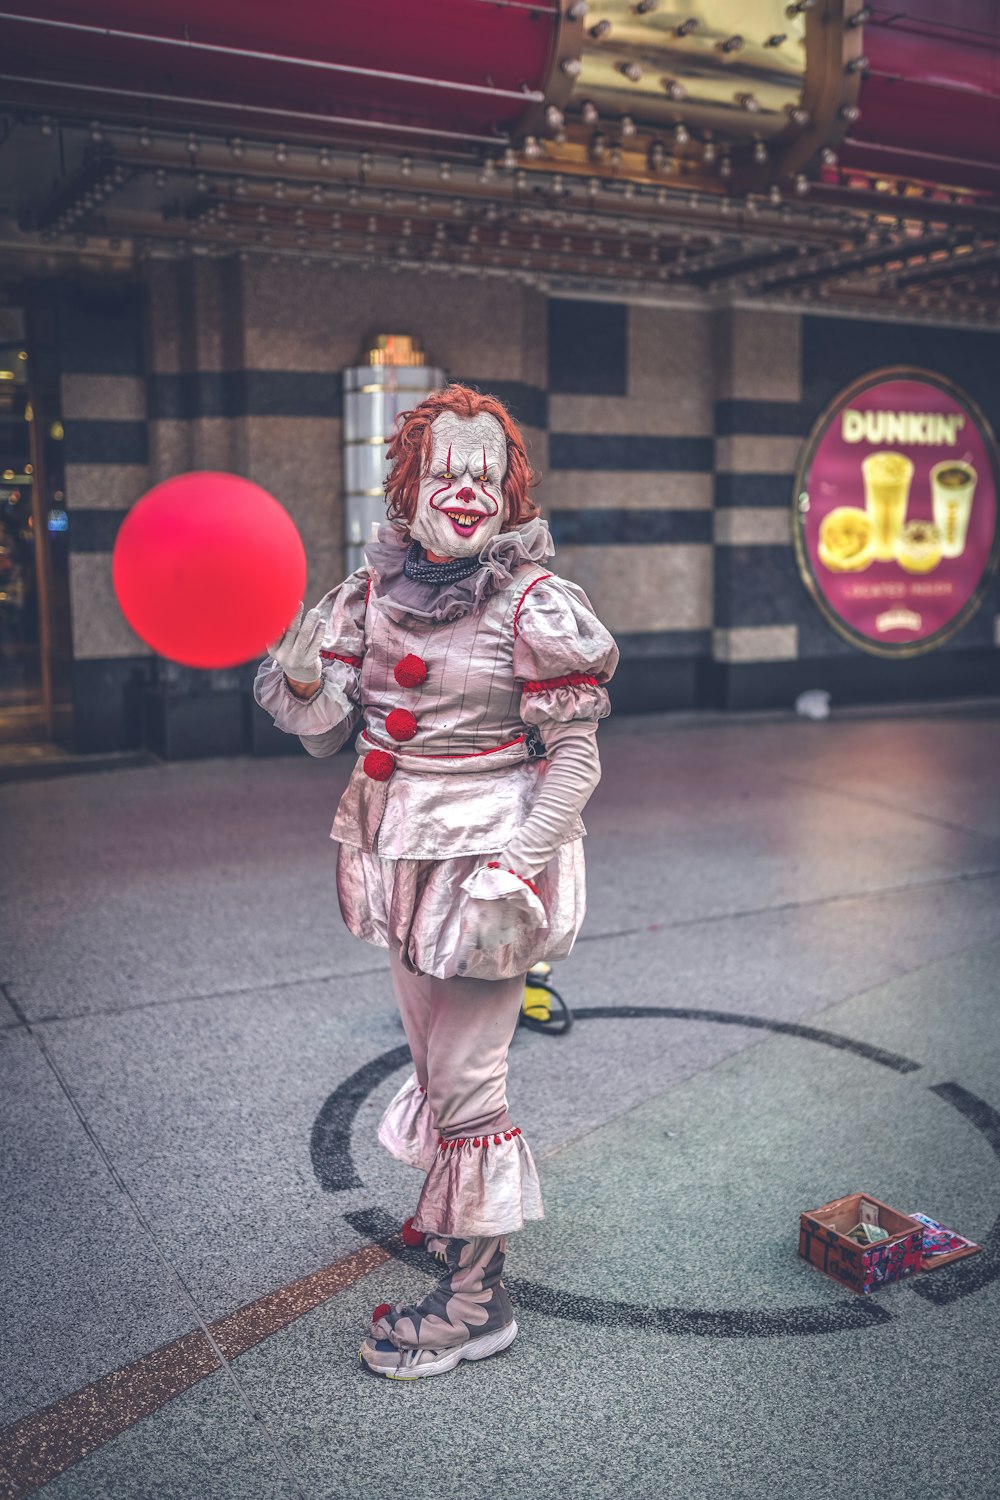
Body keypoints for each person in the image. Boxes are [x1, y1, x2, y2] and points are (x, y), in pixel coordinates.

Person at [254, 383, 617, 1379]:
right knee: (435, 1065)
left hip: (489, 860)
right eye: (445, 471)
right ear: (411, 485)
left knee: (466, 1080)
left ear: (511, 491)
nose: (465, 491)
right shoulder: (368, 597)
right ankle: (467, 1241)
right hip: (401, 852)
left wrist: (519, 863)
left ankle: (474, 1303)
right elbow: (326, 733)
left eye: (485, 474)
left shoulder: (537, 606)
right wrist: (297, 679)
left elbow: (574, 757)